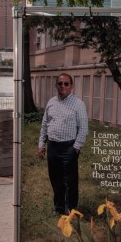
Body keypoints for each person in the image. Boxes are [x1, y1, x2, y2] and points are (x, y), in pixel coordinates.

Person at [37, 74, 88, 215]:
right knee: (56, 180)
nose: (63, 86)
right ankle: (59, 209)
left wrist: (76, 148)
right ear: (56, 85)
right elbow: (45, 124)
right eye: (60, 83)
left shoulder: (78, 104)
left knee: (70, 182)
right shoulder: (51, 102)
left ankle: (71, 211)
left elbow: (83, 129)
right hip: (52, 147)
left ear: (71, 86)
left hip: (69, 148)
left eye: (66, 84)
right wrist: (42, 144)